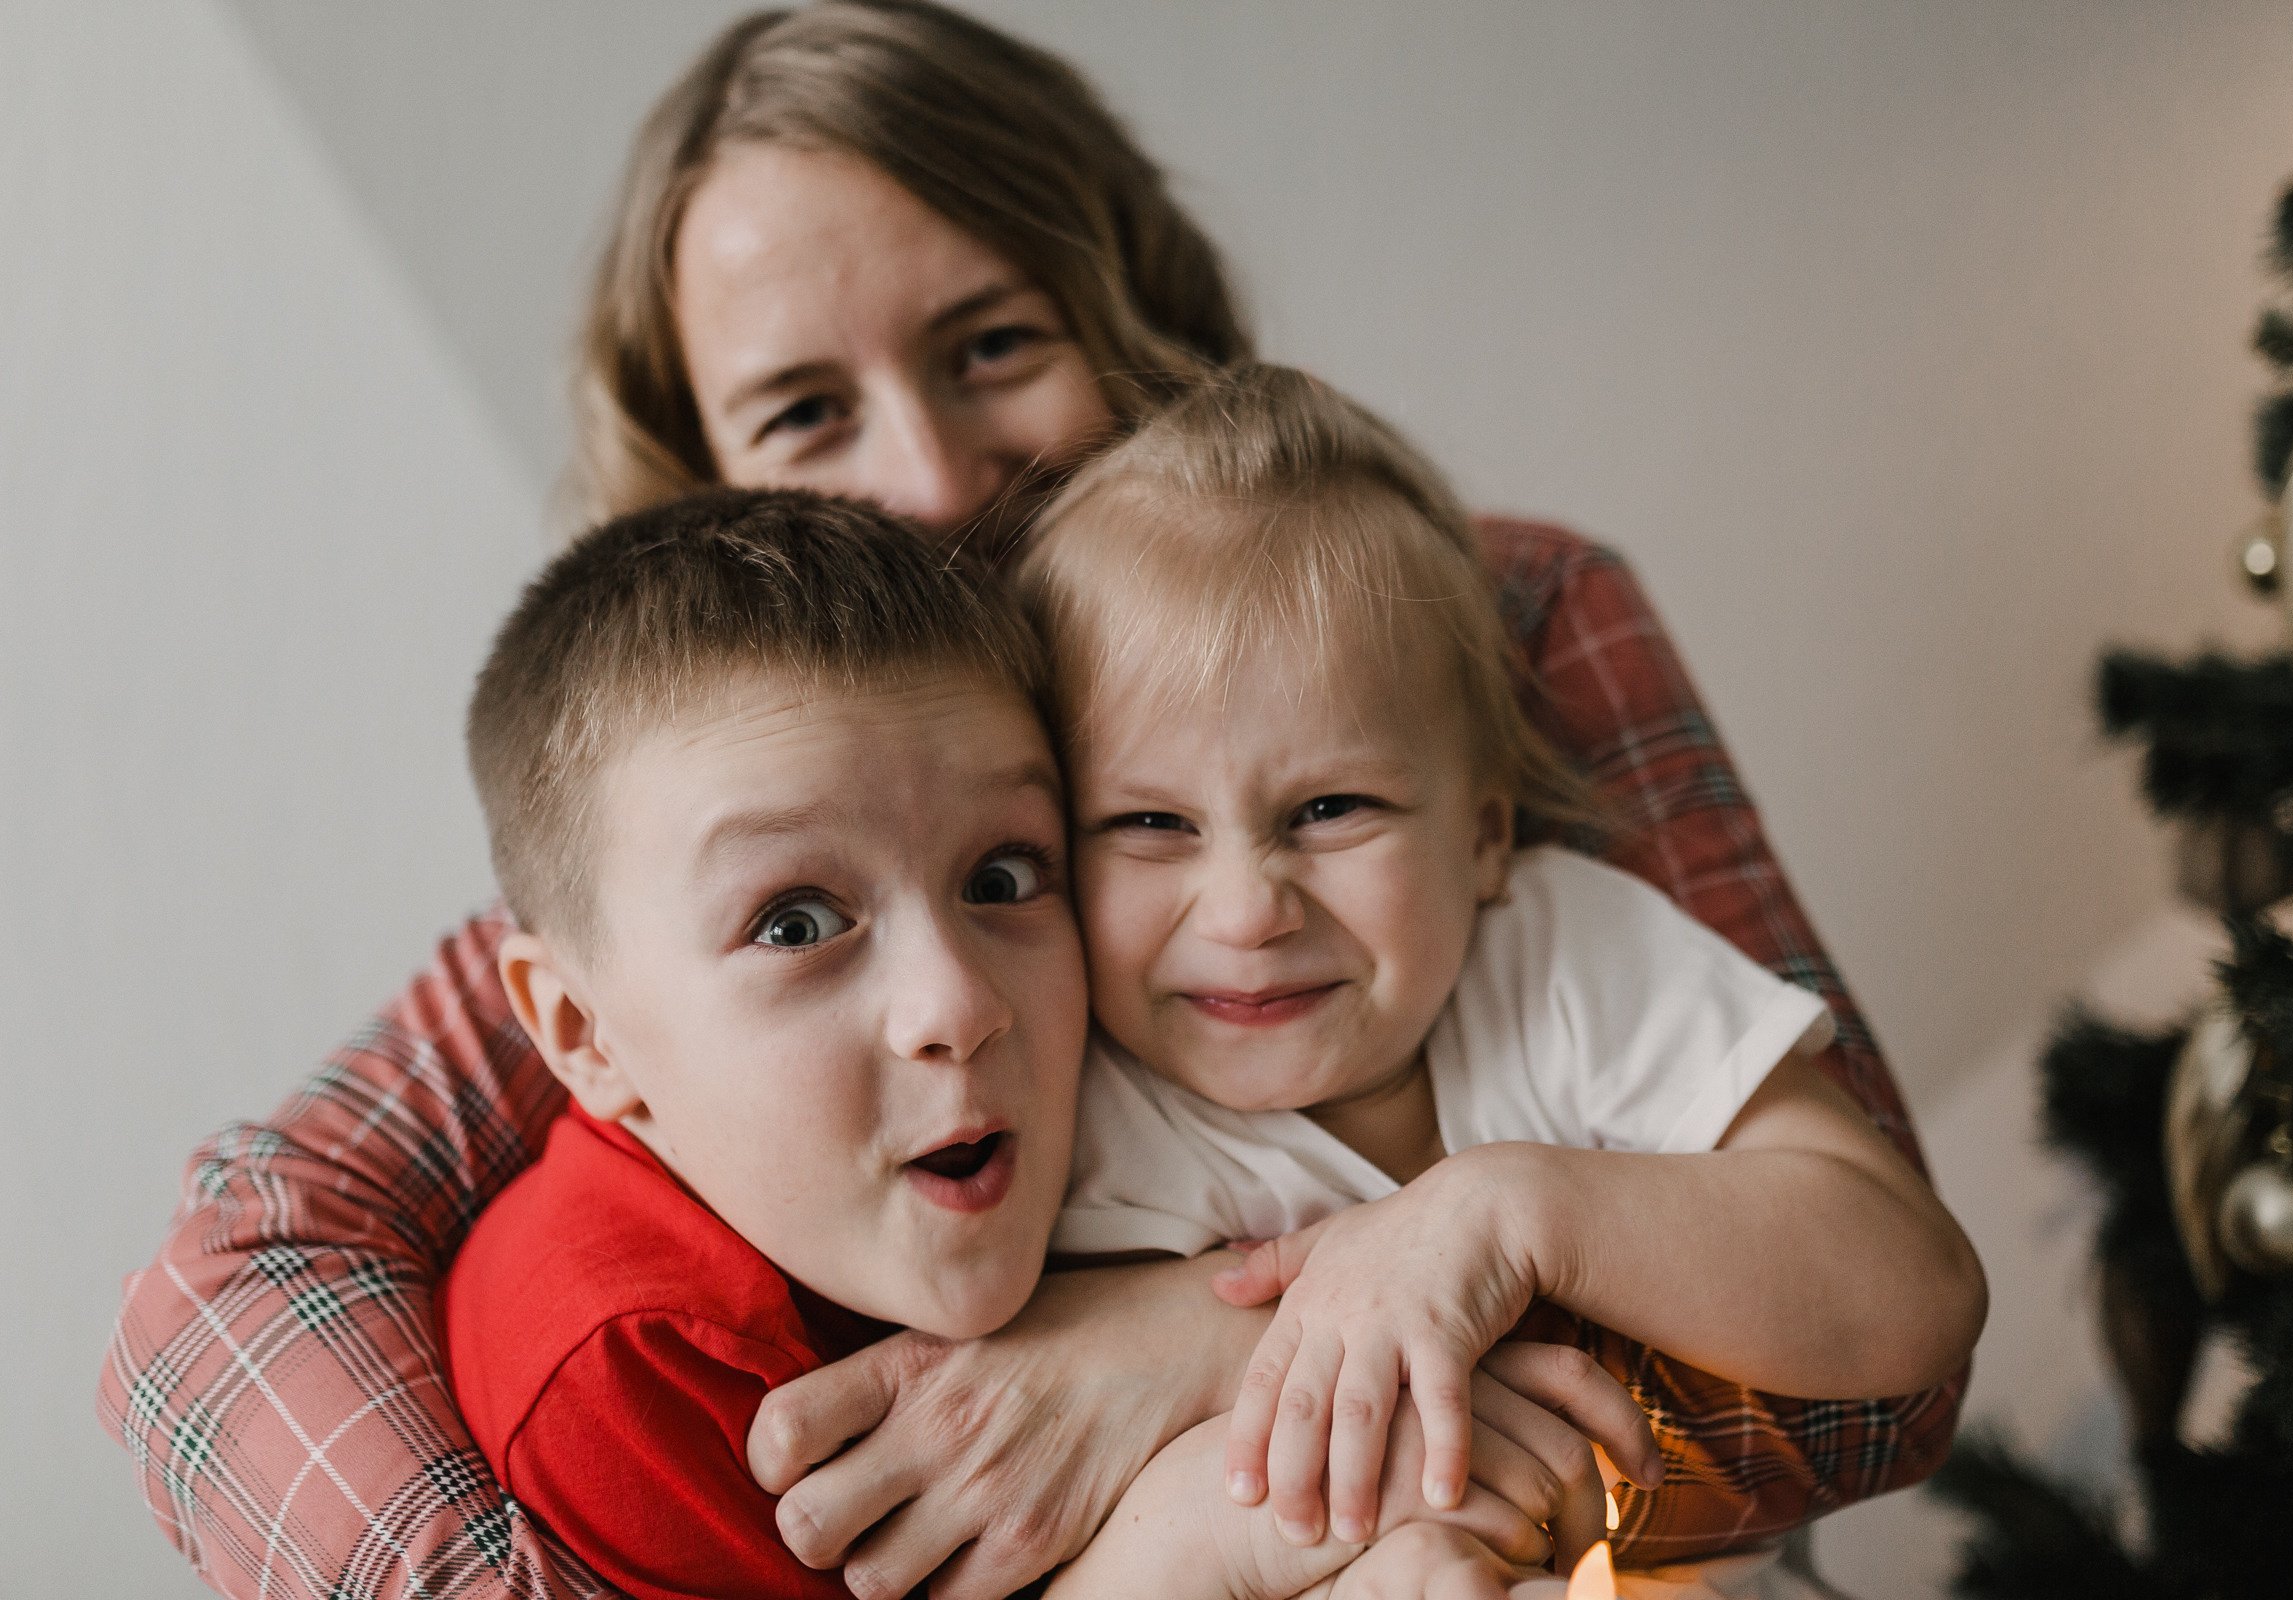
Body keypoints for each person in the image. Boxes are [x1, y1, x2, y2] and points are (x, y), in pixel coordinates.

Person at [97, 5, 1962, 1598]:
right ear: (705, 482)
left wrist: (1213, 1348)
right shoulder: (726, 849)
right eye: (804, 415)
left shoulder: (1492, 616)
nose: (928, 479)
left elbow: (1886, 1379)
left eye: (993, 344)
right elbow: (220, 1297)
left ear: (1128, 312)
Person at [437, 488, 1592, 1600]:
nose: (957, 1002)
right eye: (793, 922)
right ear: (584, 1033)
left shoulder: (1102, 1062)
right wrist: (1195, 1536)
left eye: (1001, 877)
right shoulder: (630, 1367)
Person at [1018, 365, 1984, 1587]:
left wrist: (1510, 1212)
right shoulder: (1079, 1119)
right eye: (1148, 824)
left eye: (1330, 807)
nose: (1249, 908)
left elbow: (1921, 1293)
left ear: (1482, 837)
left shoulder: (1561, 953)